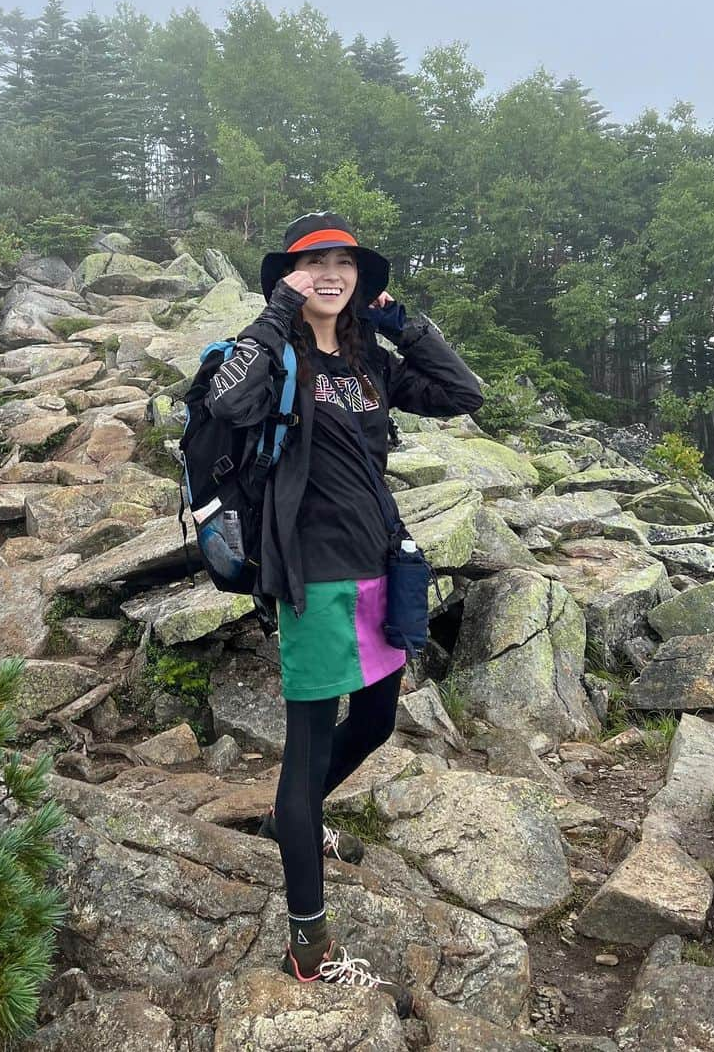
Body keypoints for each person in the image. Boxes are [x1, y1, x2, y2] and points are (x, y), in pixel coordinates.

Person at [203, 212, 485, 1014]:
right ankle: (309, 947)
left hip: (378, 567)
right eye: (313, 263)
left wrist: (407, 323)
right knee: (310, 743)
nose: (331, 273)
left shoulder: (368, 361)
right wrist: (276, 315)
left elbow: (465, 392)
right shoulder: (273, 352)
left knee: (380, 720)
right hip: (313, 576)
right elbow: (227, 404)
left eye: (344, 263)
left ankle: (294, 821)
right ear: (287, 275)